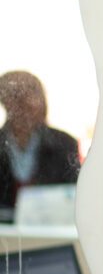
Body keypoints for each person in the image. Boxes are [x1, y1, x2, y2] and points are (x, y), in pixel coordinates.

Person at [0, 71, 80, 211]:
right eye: (17, 99)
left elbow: (72, 194)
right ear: (5, 103)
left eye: (32, 96)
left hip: (50, 223)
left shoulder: (64, 143)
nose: (27, 105)